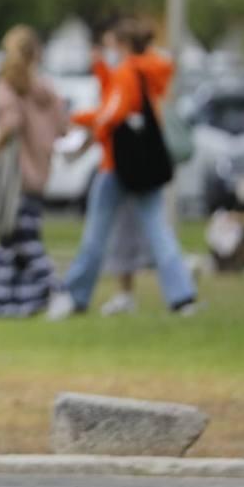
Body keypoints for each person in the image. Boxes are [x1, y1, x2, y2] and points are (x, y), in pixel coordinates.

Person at [47, 18, 197, 319]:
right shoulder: (141, 70)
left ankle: (75, 295)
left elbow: (112, 112)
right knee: (158, 231)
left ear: (123, 45)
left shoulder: (128, 72)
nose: (107, 50)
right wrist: (103, 71)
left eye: (110, 45)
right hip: (141, 167)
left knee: (96, 235)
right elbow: (117, 100)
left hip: (117, 166)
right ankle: (181, 295)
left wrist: (74, 118)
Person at [0, 25, 68, 317]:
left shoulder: (9, 85)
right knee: (9, 242)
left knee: (23, 240)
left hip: (16, 176)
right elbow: (63, 126)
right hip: (40, 171)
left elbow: (9, 122)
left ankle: (57, 291)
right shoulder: (47, 90)